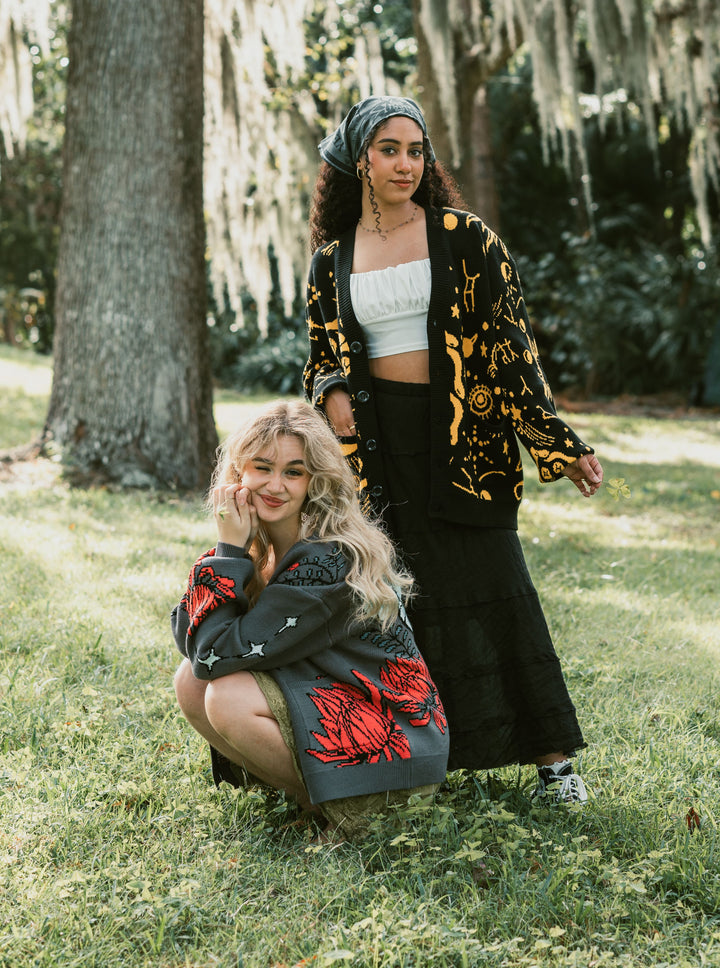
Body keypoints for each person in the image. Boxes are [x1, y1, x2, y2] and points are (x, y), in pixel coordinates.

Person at [303, 95, 604, 804]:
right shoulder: (331, 260)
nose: (406, 163)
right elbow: (318, 356)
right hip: (376, 451)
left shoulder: (465, 239)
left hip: (467, 444)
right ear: (358, 160)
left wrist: (557, 443)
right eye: (389, 150)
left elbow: (511, 348)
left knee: (496, 586)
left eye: (416, 150)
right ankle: (422, 761)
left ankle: (556, 768)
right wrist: (332, 390)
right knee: (401, 601)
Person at [171, 399, 449, 840]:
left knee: (224, 694)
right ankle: (315, 803)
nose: (275, 485)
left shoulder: (327, 559)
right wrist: (233, 551)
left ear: (314, 482)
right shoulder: (261, 547)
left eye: (293, 472)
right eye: (262, 467)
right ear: (238, 475)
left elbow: (214, 654)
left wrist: (226, 556)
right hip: (347, 716)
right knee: (191, 681)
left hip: (396, 760)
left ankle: (356, 818)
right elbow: (193, 640)